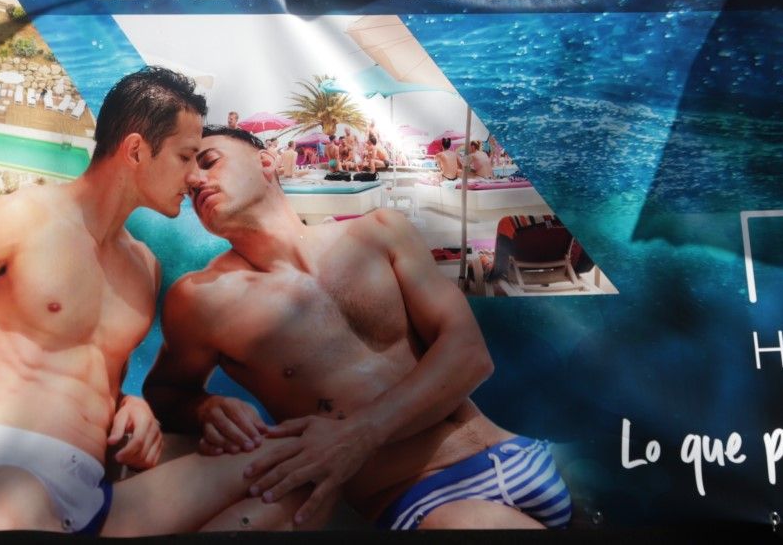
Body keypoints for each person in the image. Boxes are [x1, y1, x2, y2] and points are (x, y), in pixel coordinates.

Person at [0, 68, 307, 535]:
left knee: (286, 472)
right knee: (9, 505)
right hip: (1, 476)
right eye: (185, 157)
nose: (194, 177)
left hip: (94, 496)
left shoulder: (143, 267)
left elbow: (87, 368)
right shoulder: (20, 219)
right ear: (136, 150)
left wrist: (129, 404)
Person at [146, 128, 572, 530]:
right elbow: (166, 394)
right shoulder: (201, 299)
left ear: (266, 162)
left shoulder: (381, 232)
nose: (195, 181)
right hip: (424, 499)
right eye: (187, 179)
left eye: (208, 161)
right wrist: (202, 408)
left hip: (520, 455)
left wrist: (359, 433)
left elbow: (470, 356)